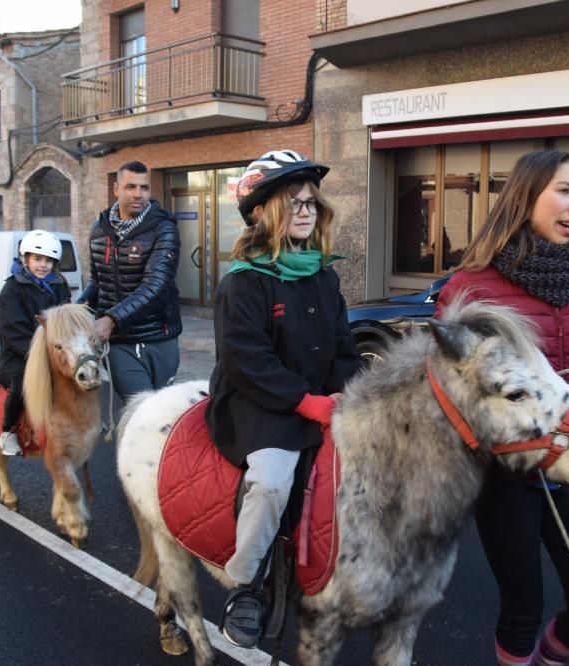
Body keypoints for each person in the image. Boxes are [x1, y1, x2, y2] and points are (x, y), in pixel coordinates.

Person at [435, 149, 569, 666]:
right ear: (527, 197)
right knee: (521, 607)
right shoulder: (472, 285)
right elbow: (452, 384)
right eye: (564, 191)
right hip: (507, 472)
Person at [206, 149, 362, 649]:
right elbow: (246, 361)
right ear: (264, 211)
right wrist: (305, 402)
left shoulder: (325, 275)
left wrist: (345, 392)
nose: (305, 211)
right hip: (258, 404)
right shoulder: (243, 281)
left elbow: (343, 347)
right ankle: (246, 586)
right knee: (273, 483)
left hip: (319, 399)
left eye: (311, 203)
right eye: (293, 202)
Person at [78, 160, 182, 403]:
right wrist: (76, 309)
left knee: (162, 410)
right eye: (131, 187)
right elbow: (97, 281)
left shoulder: (164, 229)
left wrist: (110, 319)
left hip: (159, 337)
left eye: (144, 188)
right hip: (119, 343)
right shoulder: (98, 230)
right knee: (139, 408)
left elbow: (156, 285)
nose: (138, 194)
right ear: (116, 189)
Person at [0, 229, 71, 456]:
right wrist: (42, 355)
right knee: (21, 384)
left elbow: (66, 317)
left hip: (55, 350)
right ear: (25, 259)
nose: (43, 265)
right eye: (38, 259)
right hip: (20, 355)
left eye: (49, 261)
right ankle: (7, 431)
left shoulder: (59, 284)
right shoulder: (12, 289)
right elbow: (13, 332)